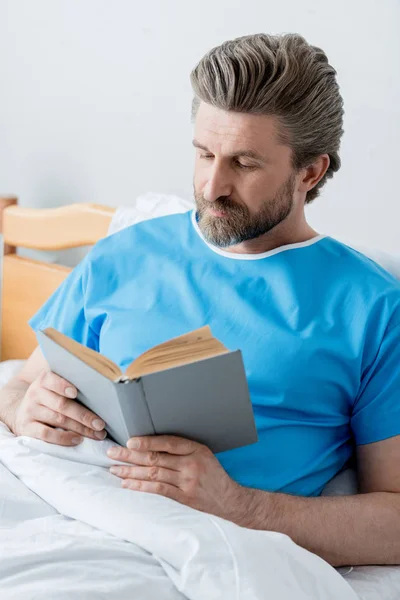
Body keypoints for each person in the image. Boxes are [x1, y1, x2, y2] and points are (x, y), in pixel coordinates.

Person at [1, 33, 400, 568]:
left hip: (201, 547)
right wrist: (26, 409)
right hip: (65, 502)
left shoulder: (372, 308)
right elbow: (20, 387)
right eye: (204, 153)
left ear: (310, 172)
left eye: (245, 163)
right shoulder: (126, 251)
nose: (212, 186)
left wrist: (239, 506)